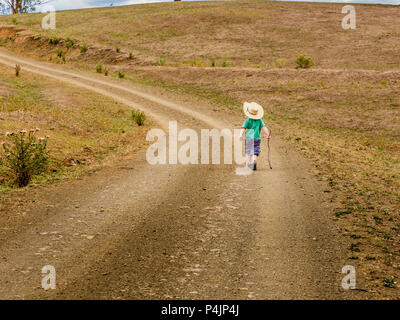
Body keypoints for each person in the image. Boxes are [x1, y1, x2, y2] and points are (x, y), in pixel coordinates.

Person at [239, 102, 271, 171]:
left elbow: (243, 128)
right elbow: (264, 127)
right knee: (255, 151)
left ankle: (249, 163)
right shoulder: (260, 120)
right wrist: (267, 134)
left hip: (249, 139)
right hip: (257, 138)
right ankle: (254, 161)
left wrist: (240, 135)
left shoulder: (247, 121)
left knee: (249, 151)